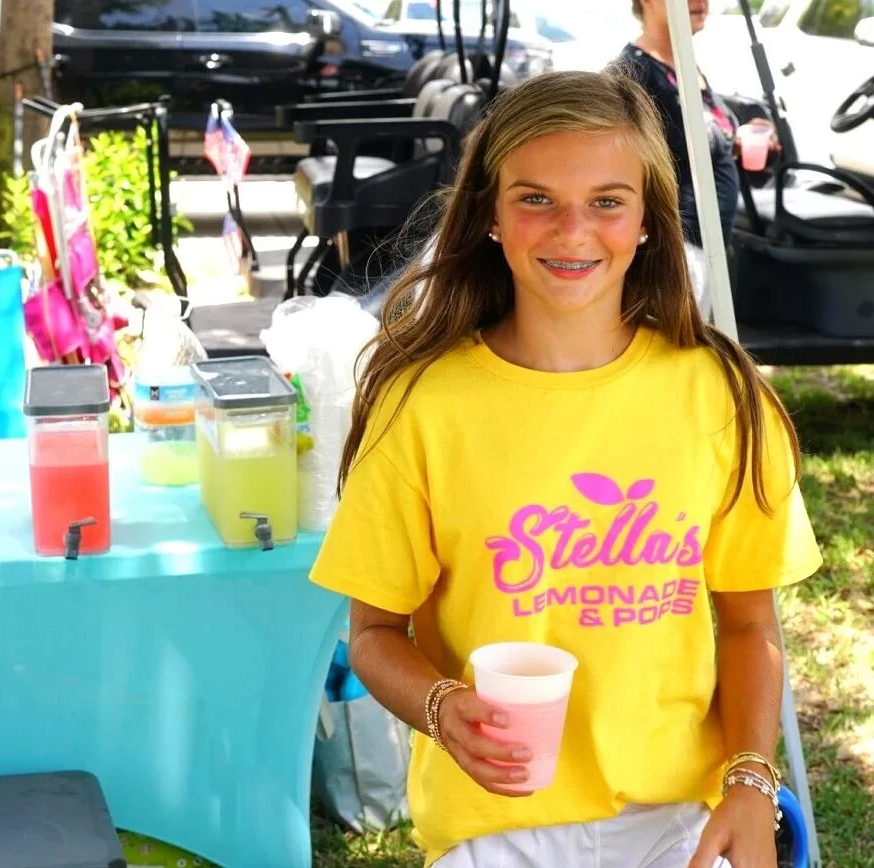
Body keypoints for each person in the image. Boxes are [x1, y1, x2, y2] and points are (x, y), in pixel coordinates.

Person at [310, 70, 820, 868]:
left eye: (607, 200)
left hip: (674, 818)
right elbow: (374, 634)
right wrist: (443, 709)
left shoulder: (720, 395)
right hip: (489, 826)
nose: (572, 230)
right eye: (536, 198)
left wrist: (750, 780)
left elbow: (750, 625)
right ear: (487, 213)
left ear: (650, 217)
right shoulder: (423, 404)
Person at [614, 0, 779, 252]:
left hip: (709, 249)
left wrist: (736, 142)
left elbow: (696, 148)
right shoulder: (633, 75)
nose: (700, 1)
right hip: (674, 252)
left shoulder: (684, 66)